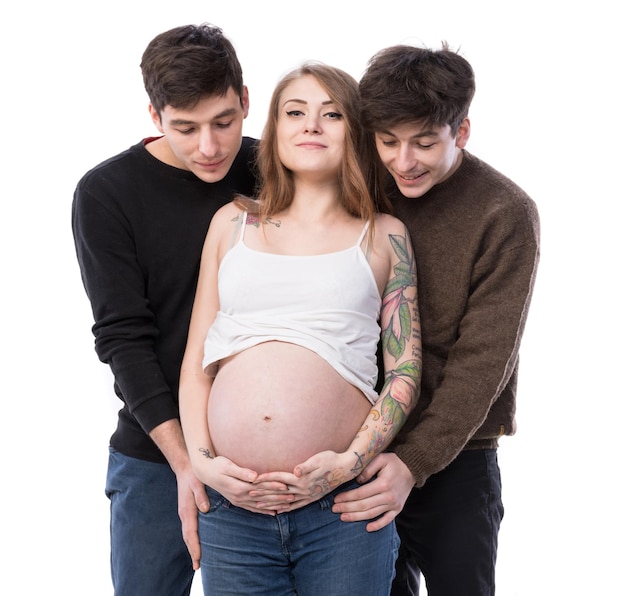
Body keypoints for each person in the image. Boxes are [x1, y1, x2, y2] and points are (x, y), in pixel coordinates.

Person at [178, 62, 421, 596]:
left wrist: (349, 462)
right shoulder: (232, 222)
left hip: (342, 506)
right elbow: (197, 365)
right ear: (273, 130)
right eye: (295, 112)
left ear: (354, 133)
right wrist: (202, 463)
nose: (311, 124)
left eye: (331, 114)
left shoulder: (384, 235)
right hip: (232, 507)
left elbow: (404, 371)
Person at [331, 44, 541, 596]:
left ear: (462, 131)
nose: (404, 161)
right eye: (388, 142)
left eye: (425, 143)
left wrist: (415, 461)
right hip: (361, 452)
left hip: (457, 459)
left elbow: (484, 362)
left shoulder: (504, 212)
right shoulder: (362, 184)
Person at [71, 24, 257, 596]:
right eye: (185, 128)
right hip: (156, 455)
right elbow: (123, 339)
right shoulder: (107, 193)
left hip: (263, 457)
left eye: (224, 122)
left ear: (246, 101)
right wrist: (184, 461)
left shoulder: (280, 169)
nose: (209, 146)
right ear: (154, 116)